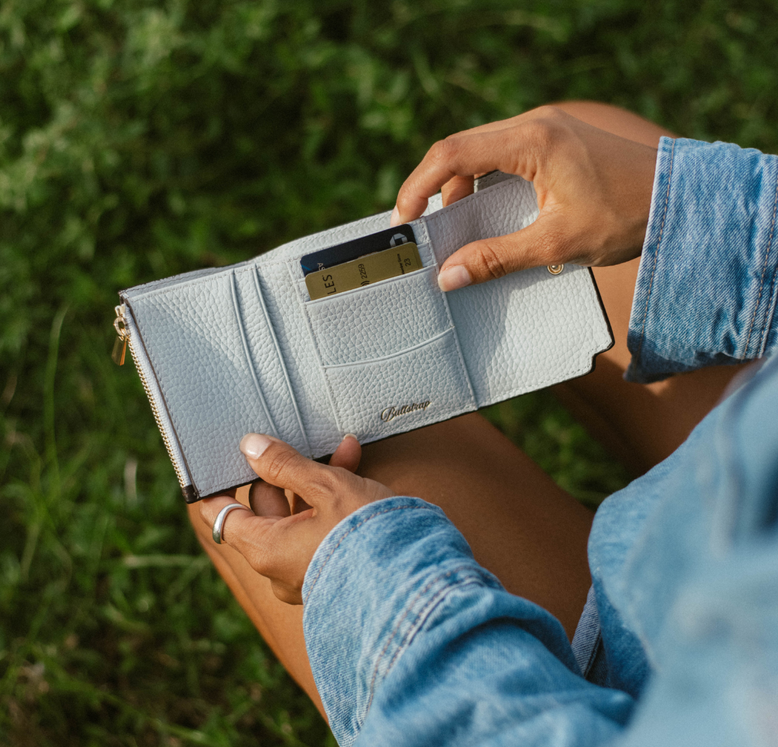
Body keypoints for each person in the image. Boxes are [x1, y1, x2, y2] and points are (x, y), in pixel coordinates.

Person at [187, 102, 778, 745]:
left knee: (264, 468)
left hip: (634, 698)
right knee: (546, 183)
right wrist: (704, 210)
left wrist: (365, 579)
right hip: (727, 519)